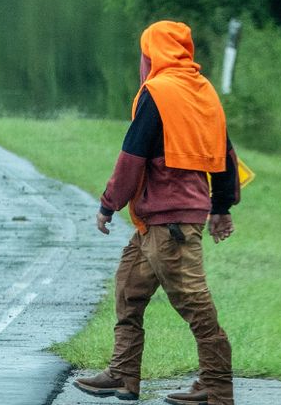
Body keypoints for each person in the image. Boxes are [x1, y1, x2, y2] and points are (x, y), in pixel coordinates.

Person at [73, 21, 241, 405]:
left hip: (171, 222)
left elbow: (132, 157)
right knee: (129, 289)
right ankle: (123, 374)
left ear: (152, 55)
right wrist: (221, 207)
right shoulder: (203, 91)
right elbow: (225, 153)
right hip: (158, 221)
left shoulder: (158, 92)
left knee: (194, 304)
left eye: (143, 54)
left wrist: (108, 204)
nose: (142, 62)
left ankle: (217, 387)